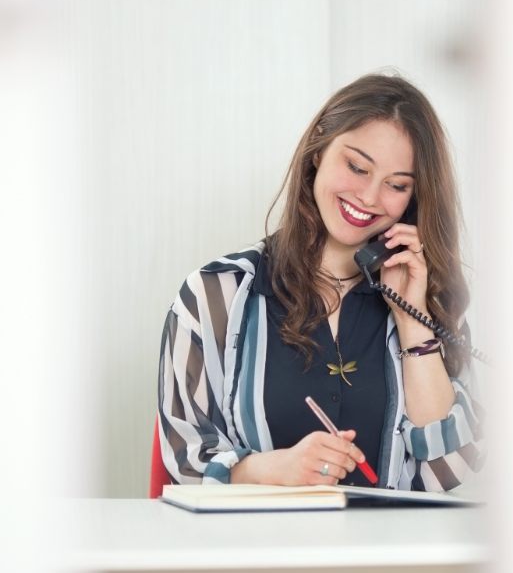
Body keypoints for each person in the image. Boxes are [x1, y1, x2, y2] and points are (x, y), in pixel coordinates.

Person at [157, 73, 485, 492]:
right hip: (256, 550)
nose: (369, 197)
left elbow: (450, 468)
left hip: (388, 552)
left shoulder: (429, 302)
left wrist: (412, 320)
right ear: (318, 152)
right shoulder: (214, 295)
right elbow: (184, 460)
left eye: (397, 185)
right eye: (356, 167)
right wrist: (268, 469)